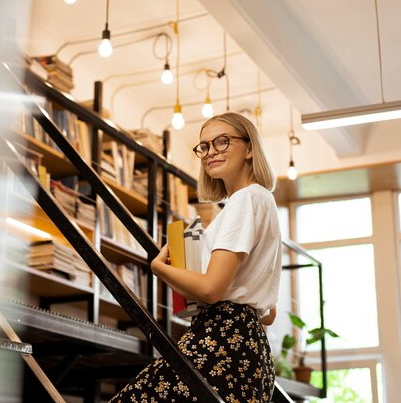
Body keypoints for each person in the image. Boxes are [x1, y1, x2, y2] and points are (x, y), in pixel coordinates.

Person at [109, 112, 282, 403]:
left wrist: (158, 267)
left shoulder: (244, 199)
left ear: (250, 148)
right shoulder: (261, 199)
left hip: (221, 341)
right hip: (248, 345)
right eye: (204, 146)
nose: (211, 151)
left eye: (222, 142)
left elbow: (211, 289)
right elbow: (269, 313)